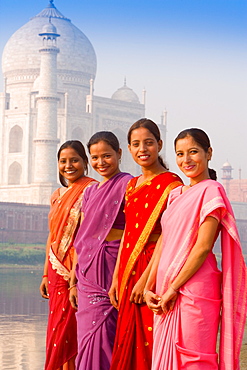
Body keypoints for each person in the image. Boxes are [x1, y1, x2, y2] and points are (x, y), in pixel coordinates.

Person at [145, 128, 247, 369]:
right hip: (164, 289)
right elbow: (164, 243)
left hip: (194, 288)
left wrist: (173, 288)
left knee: (194, 358)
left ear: (208, 153)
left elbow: (202, 248)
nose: (186, 160)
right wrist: (150, 285)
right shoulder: (175, 195)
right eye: (180, 154)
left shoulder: (212, 191)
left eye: (193, 152)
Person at [109, 118, 183, 370]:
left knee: (150, 339)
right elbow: (128, 232)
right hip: (128, 268)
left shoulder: (172, 184)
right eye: (136, 144)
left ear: (159, 145)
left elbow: (168, 235)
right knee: (126, 339)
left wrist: (145, 281)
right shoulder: (131, 185)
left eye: (149, 143)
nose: (143, 149)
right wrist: (117, 278)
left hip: (154, 267)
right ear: (128, 148)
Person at [70, 131, 132, 370]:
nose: (101, 162)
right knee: (86, 337)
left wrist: (118, 274)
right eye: (95, 158)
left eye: (106, 156)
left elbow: (131, 231)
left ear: (119, 153)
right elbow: (82, 236)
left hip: (111, 265)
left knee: (106, 332)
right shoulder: (90, 192)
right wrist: (73, 281)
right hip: (86, 272)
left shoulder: (128, 184)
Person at [39, 140, 96, 370]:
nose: (68, 165)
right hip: (54, 271)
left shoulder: (91, 190)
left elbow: (88, 236)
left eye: (74, 160)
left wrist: (75, 275)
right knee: (56, 327)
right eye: (63, 161)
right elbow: (52, 235)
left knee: (70, 327)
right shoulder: (57, 195)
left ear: (84, 162)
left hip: (77, 270)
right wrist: (44, 274)